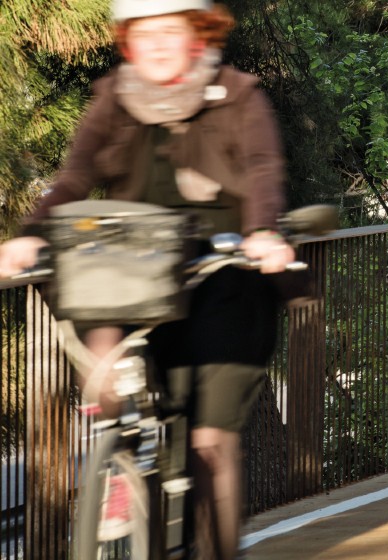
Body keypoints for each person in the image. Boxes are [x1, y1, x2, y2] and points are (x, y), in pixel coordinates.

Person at [0, 1, 291, 557]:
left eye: (171, 31)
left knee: (209, 443)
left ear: (199, 36)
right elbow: (75, 176)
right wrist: (30, 234)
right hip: (135, 272)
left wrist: (261, 231)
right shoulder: (114, 98)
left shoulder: (238, 95)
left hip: (223, 276)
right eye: (144, 33)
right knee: (105, 368)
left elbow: (262, 170)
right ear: (128, 43)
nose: (157, 44)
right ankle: (118, 457)